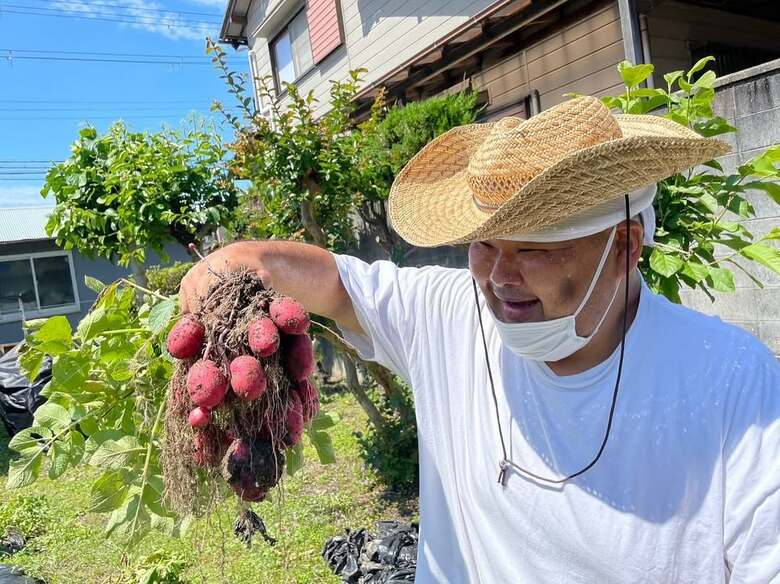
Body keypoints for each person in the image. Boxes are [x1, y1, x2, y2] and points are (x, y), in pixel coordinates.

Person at [180, 96, 780, 583]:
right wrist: (233, 269)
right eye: (484, 244)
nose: (497, 277)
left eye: (533, 250)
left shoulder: (732, 384)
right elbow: (332, 283)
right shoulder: (451, 316)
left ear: (623, 245)